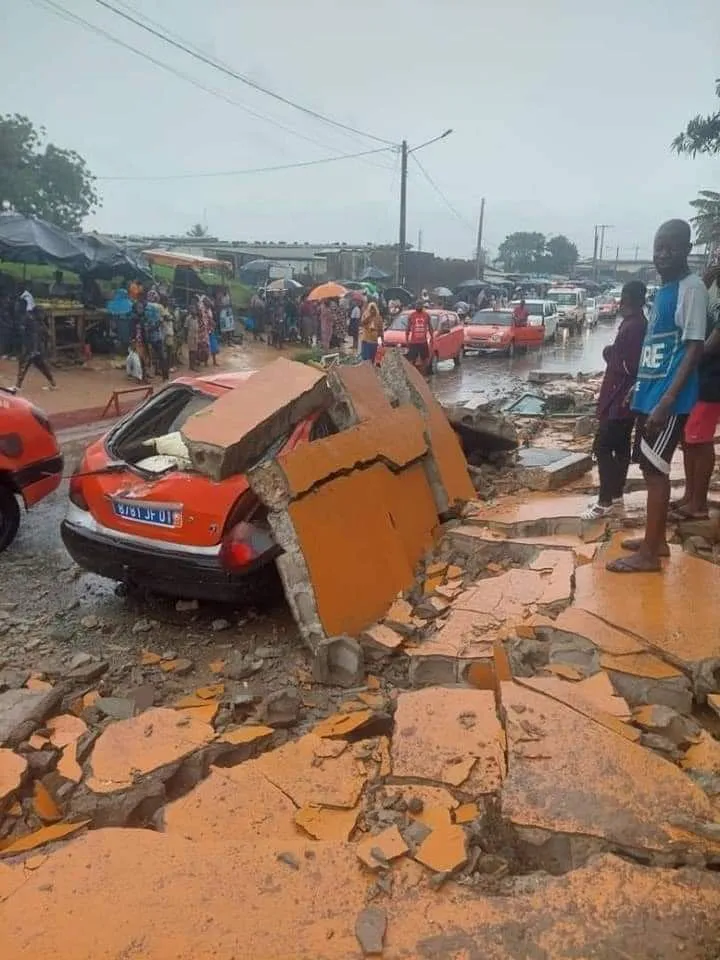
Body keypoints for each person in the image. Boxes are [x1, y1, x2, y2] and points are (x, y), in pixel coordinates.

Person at [607, 220, 708, 574]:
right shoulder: (663, 290)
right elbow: (658, 346)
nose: (663, 253)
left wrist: (667, 400)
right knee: (648, 465)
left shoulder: (691, 288)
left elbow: (693, 347)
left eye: (671, 247)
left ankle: (650, 554)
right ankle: (656, 541)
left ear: (687, 248)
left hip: (669, 398)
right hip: (648, 394)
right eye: (658, 246)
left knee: (655, 469)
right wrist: (640, 389)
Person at [582, 281, 648, 520]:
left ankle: (604, 500)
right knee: (620, 447)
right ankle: (617, 495)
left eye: (623, 297)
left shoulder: (634, 326)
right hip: (624, 397)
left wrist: (610, 354)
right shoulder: (636, 323)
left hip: (620, 397)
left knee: (602, 446)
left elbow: (629, 365)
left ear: (630, 299)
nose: (620, 302)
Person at [669, 262, 720, 520]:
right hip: (698, 375)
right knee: (688, 439)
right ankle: (690, 495)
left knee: (699, 439)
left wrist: (693, 355)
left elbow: (715, 337)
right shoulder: (709, 286)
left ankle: (699, 504)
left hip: (713, 377)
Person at [16, 306, 57, 391]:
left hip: (32, 349)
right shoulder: (32, 320)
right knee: (41, 367)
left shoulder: (35, 320)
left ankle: (17, 386)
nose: (43, 315)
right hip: (34, 349)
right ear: (37, 313)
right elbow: (47, 334)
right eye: (42, 313)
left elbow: (46, 334)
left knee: (24, 366)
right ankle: (53, 384)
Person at [406, 300, 434, 372]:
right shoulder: (412, 315)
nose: (418, 306)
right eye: (417, 305)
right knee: (411, 360)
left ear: (422, 306)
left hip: (423, 342)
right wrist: (406, 339)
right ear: (415, 306)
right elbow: (408, 328)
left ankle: (423, 375)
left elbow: (430, 327)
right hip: (413, 342)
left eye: (419, 305)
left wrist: (432, 337)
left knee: (425, 360)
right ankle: (412, 375)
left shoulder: (426, 315)